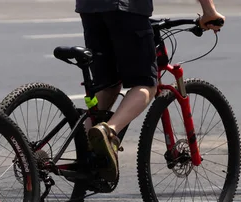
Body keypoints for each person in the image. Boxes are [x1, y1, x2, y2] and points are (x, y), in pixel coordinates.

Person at [75, 0, 225, 182]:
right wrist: (209, 11)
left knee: (109, 85)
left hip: (90, 9)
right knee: (146, 84)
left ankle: (85, 151)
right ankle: (109, 131)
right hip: (126, 8)